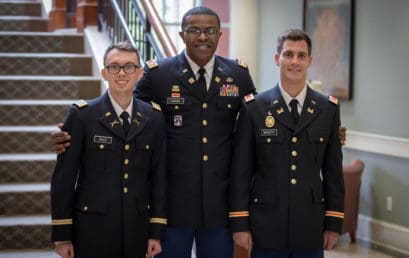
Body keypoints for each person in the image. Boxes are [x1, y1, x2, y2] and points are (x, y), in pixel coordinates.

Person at [50, 8, 347, 258]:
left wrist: (328, 131)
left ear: (220, 35)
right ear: (182, 36)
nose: (202, 37)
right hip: (172, 205)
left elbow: (265, 118)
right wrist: (75, 132)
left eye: (210, 31)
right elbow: (127, 113)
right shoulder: (158, 75)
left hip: (220, 205)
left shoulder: (237, 75)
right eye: (194, 30)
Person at [229, 29, 344, 258]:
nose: (294, 61)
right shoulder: (255, 108)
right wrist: (240, 223)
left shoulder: (327, 109)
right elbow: (241, 171)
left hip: (310, 224)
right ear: (277, 58)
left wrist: (334, 222)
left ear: (310, 60)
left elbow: (333, 172)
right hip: (266, 224)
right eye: (288, 54)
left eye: (301, 56)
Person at [50, 42, 167, 258]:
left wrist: (156, 231)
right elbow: (64, 179)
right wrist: (62, 234)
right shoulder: (82, 115)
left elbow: (158, 178)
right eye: (114, 67)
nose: (122, 73)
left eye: (129, 67)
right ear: (104, 73)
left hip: (137, 227)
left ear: (139, 73)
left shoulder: (154, 117)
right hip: (92, 226)